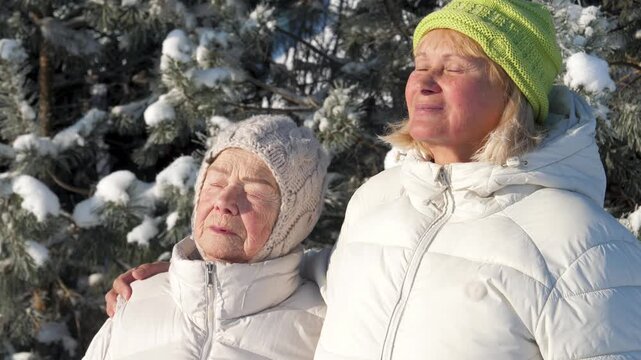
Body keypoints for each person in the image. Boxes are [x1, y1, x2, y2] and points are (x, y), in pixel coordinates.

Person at [107, 0, 641, 359]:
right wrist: (192, 277)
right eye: (419, 63)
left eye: (455, 68)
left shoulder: (583, 244)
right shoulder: (380, 200)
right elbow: (331, 275)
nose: (425, 81)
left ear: (513, 93)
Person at [84, 115, 329, 359]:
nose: (224, 202)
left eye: (254, 192)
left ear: (293, 222)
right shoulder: (132, 302)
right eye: (216, 183)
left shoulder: (324, 327)